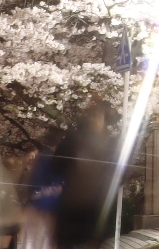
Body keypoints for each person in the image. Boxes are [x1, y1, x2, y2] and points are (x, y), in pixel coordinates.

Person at [51, 101, 115, 249]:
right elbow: (56, 166)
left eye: (97, 115)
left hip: (95, 211)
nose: (93, 120)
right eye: (91, 115)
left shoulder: (111, 144)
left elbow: (119, 175)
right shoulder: (73, 140)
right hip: (73, 209)